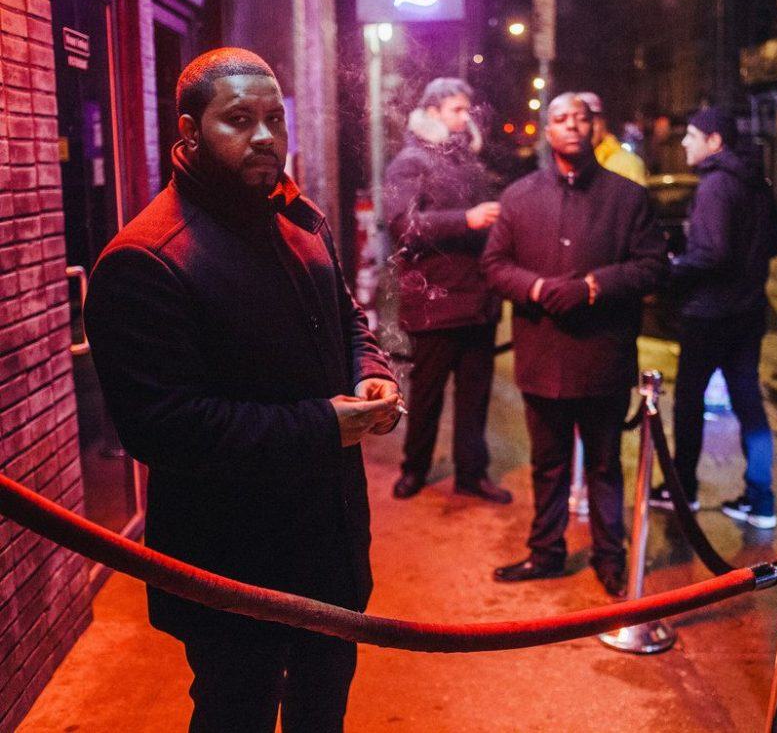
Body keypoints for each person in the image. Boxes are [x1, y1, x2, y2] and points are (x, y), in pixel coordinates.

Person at [84, 48, 402, 732]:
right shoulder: (145, 259)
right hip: (231, 560)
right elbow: (163, 426)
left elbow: (346, 315)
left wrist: (370, 366)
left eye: (273, 119)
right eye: (238, 119)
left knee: (324, 709)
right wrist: (323, 424)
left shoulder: (297, 213)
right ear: (189, 132)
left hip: (329, 544)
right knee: (237, 712)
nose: (264, 136)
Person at [482, 92, 665, 597]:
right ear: (547, 130)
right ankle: (546, 552)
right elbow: (494, 266)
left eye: (580, 120)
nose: (571, 128)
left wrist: (592, 286)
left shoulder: (628, 198)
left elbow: (654, 266)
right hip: (542, 355)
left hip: (603, 356)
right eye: (560, 119)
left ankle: (611, 556)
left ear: (594, 129)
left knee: (606, 464)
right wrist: (539, 288)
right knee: (548, 463)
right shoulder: (519, 197)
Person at [652, 106, 777, 529]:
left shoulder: (714, 187)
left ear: (714, 142)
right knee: (749, 405)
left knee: (689, 402)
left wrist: (672, 267)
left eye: (691, 136)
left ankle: (683, 491)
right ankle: (760, 500)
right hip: (747, 312)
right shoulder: (756, 182)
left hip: (708, 314)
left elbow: (711, 253)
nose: (685, 143)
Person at [385, 78, 510, 504]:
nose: (466, 118)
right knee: (428, 394)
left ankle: (471, 474)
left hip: (477, 300)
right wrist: (468, 219)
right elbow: (403, 225)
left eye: (467, 110)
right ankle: (414, 469)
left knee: (474, 398)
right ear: (434, 110)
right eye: (457, 109)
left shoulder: (468, 164)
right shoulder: (409, 163)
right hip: (435, 301)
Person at [578, 91, 647, 186]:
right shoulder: (574, 166)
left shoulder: (626, 164)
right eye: (580, 123)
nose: (587, 130)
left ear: (602, 123)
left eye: (591, 122)